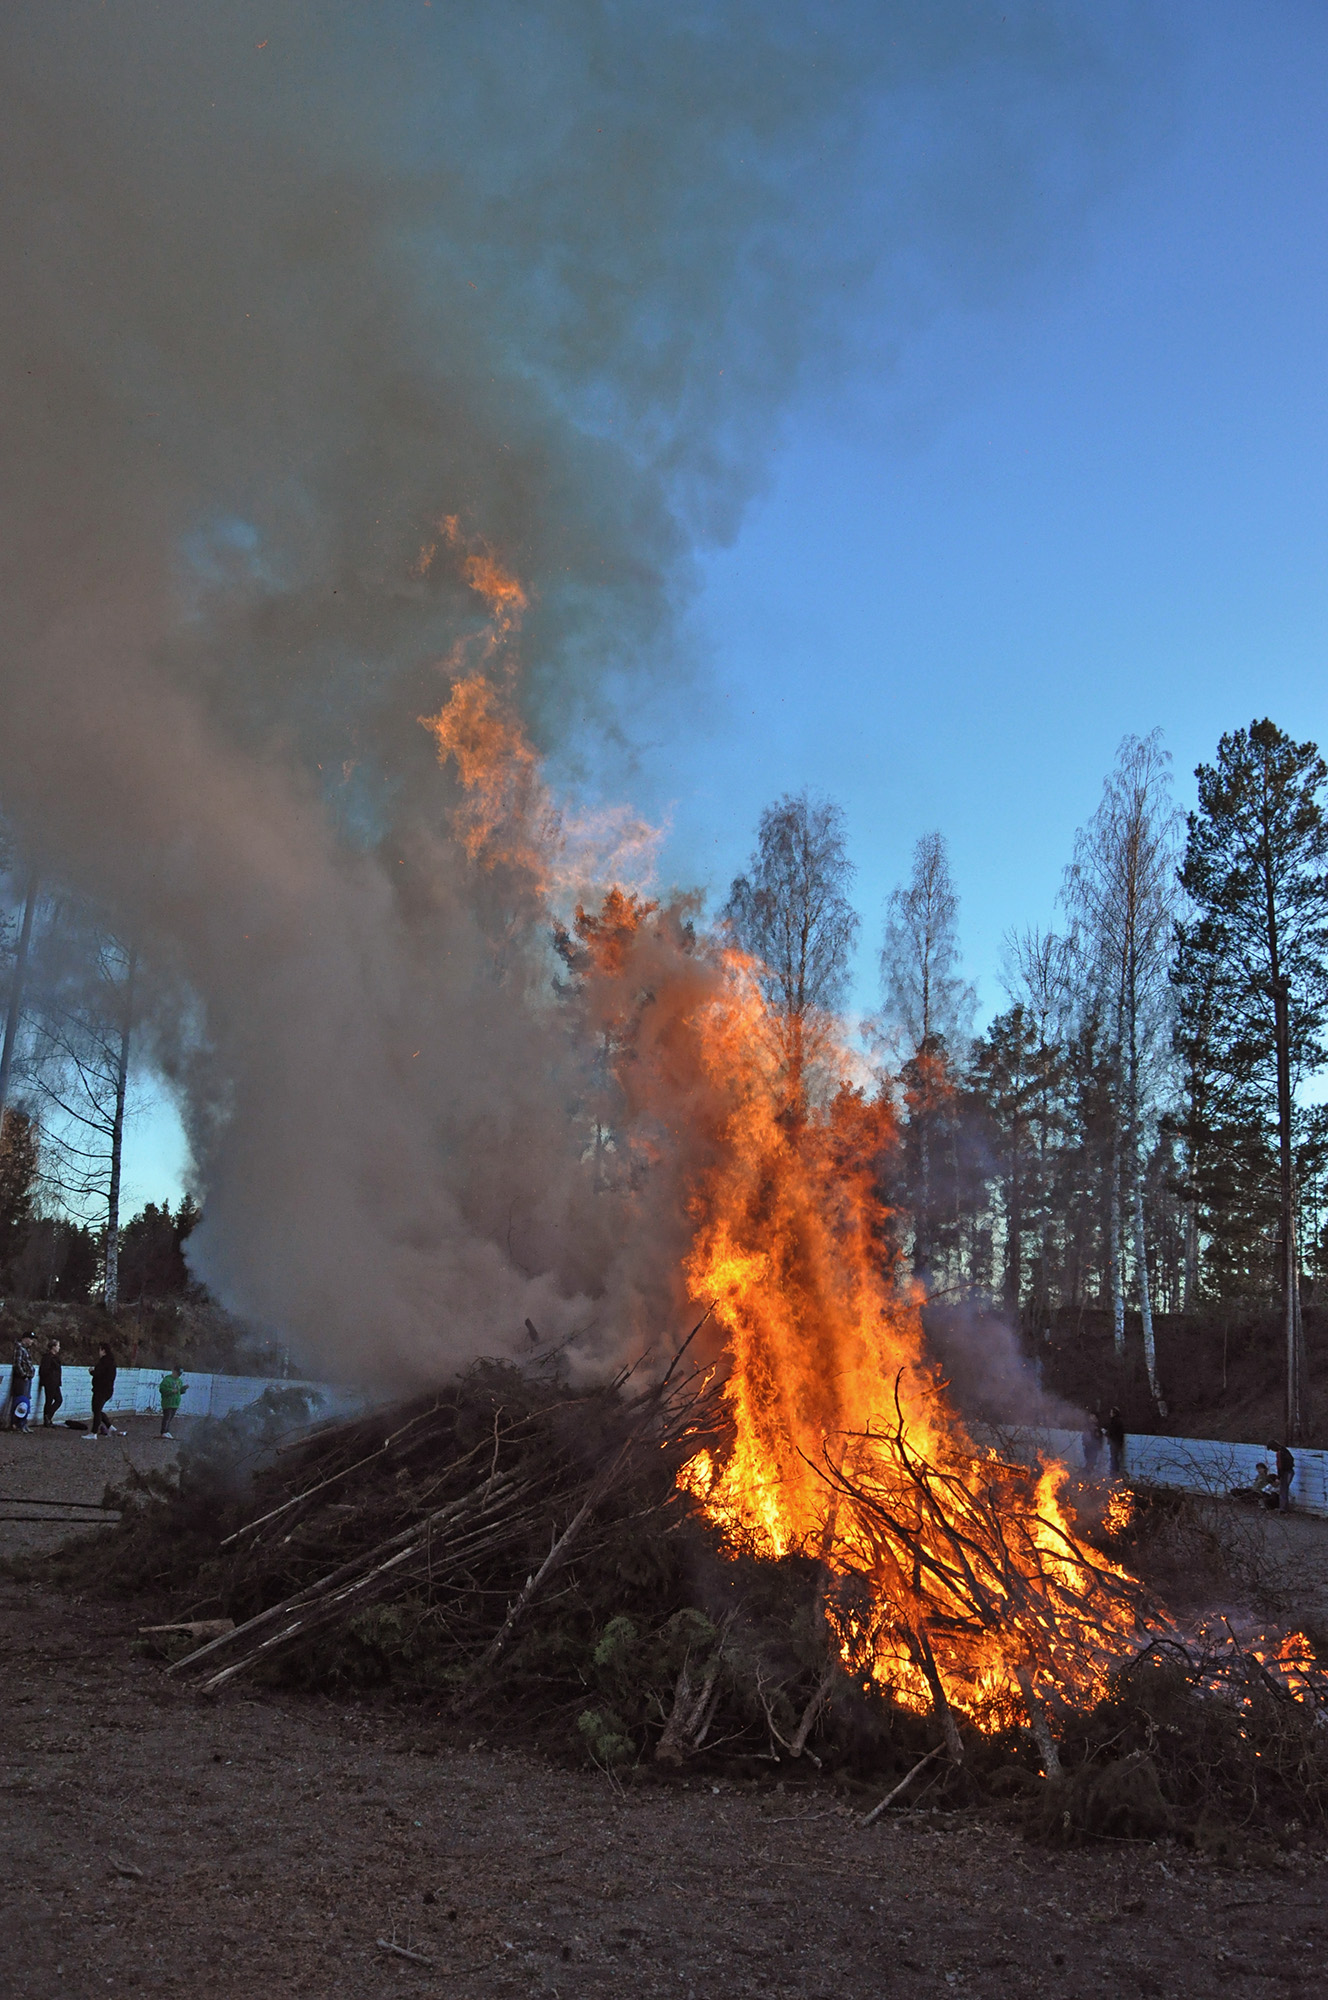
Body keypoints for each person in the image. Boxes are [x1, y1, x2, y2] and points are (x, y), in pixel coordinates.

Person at [85, 1344, 123, 1440]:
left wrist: (91, 1372)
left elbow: (99, 1374)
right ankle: (110, 1427)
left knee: (96, 1410)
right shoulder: (112, 1362)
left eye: (100, 1350)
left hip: (101, 1389)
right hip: (108, 1390)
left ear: (103, 1350)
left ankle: (94, 1433)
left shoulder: (103, 1362)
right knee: (97, 1409)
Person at [4, 1336, 34, 1431]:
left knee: (25, 1399)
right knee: (20, 1400)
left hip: (27, 1377)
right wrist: (23, 1374)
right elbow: (17, 1363)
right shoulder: (19, 1348)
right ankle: (16, 1423)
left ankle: (22, 1422)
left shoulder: (26, 1350)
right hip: (21, 1378)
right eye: (31, 1339)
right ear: (26, 1338)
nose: (32, 1342)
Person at [37, 1338, 63, 1427]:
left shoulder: (55, 1358)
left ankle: (48, 1417)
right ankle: (47, 1418)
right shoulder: (48, 1357)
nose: (59, 1348)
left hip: (54, 1382)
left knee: (57, 1400)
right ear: (53, 1347)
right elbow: (44, 1370)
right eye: (58, 1346)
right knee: (50, 1400)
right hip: (50, 1382)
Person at [157, 1365, 186, 1439]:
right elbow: (162, 1389)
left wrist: (183, 1389)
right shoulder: (167, 1380)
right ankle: (163, 1431)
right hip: (168, 1402)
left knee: (170, 1418)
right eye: (178, 1373)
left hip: (175, 1403)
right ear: (174, 1371)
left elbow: (179, 1392)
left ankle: (166, 1431)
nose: (178, 1375)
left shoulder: (179, 1381)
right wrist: (172, 1391)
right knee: (167, 1417)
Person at [1267, 1439, 1295, 1512]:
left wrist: (1278, 1477)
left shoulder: (1279, 1453)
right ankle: (1284, 1507)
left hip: (1285, 1473)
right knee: (1284, 1489)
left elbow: (1280, 1467)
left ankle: (1283, 1508)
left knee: (1283, 1490)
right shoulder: (1285, 1450)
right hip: (1290, 1471)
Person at [1105, 1407, 1127, 1480]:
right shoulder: (1119, 1421)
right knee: (1115, 1458)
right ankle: (1115, 1472)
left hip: (1114, 1443)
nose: (1110, 1414)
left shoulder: (1114, 1422)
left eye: (1111, 1412)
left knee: (1114, 1458)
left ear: (1114, 1413)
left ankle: (1114, 1473)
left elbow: (1111, 1432)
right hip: (1117, 1443)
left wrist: (1106, 1433)